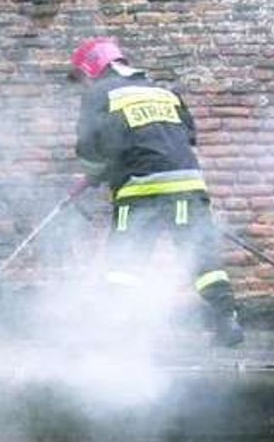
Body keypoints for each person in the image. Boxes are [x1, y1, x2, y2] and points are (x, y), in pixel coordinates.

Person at [70, 37, 244, 347]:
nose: (83, 84)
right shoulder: (164, 92)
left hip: (141, 190)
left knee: (125, 263)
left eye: (82, 77)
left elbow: (90, 148)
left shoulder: (99, 94)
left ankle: (116, 333)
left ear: (92, 68)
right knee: (202, 259)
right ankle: (227, 322)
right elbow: (188, 136)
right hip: (189, 186)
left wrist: (94, 173)